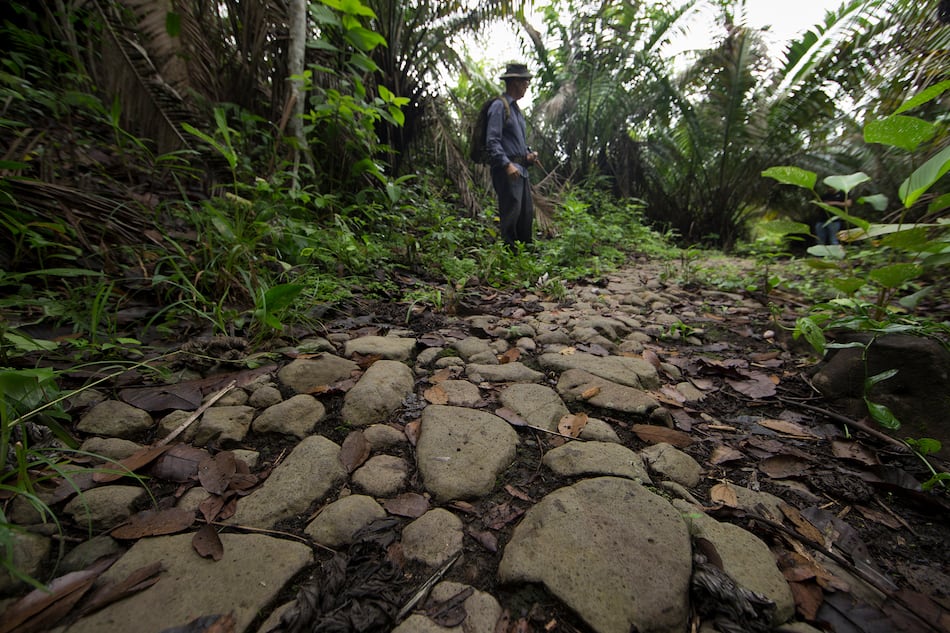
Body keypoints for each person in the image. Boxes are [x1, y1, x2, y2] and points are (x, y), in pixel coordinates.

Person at [486, 62, 538, 248]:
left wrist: (528, 156)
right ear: (515, 82)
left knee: (525, 215)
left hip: (521, 170)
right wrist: (507, 164)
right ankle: (509, 256)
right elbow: (492, 140)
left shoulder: (516, 110)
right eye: (525, 82)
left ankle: (523, 257)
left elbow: (516, 143)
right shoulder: (500, 106)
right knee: (511, 214)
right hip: (508, 171)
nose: (526, 86)